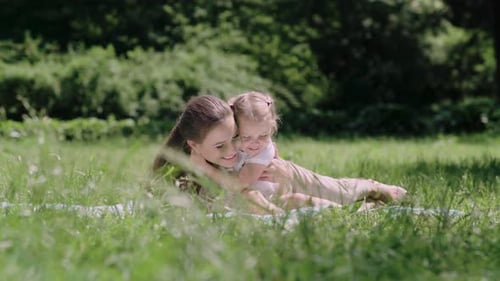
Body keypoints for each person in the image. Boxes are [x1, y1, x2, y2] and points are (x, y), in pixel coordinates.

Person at [152, 94, 406, 214]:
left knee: (339, 190)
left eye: (234, 138)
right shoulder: (180, 170)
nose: (234, 149)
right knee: (308, 201)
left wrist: (276, 163)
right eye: (222, 145)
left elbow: (244, 179)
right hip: (270, 190)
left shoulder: (247, 146)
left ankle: (374, 187)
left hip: (278, 174)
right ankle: (363, 208)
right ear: (194, 146)